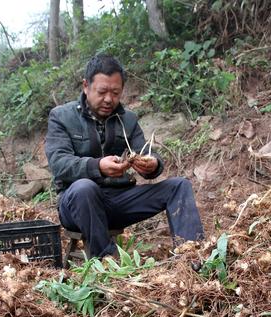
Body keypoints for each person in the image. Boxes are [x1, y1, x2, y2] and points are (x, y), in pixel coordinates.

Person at [45, 53, 204, 258]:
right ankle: (107, 261)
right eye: (102, 91)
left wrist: (152, 165)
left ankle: (192, 255)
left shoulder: (127, 119)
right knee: (85, 188)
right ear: (86, 86)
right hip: (76, 205)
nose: (109, 99)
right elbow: (59, 163)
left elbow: (148, 153)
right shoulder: (61, 116)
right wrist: (97, 166)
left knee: (179, 186)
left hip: (119, 202)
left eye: (115, 92)